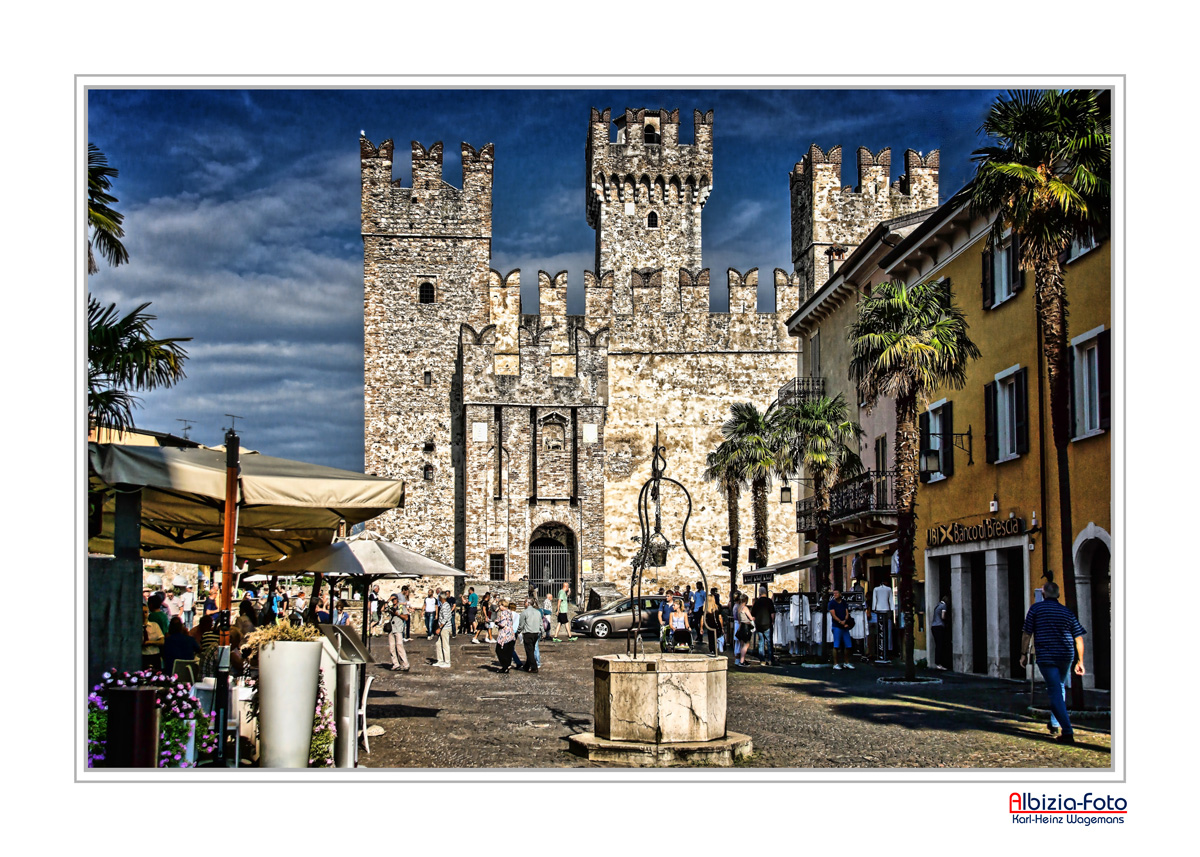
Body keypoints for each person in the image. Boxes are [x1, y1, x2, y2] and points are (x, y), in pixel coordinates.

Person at [1019, 580, 1086, 745]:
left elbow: (1027, 633)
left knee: (1055, 690)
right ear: (1059, 595)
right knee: (1059, 686)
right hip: (1066, 655)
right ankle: (1055, 722)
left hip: (1047, 655)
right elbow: (1078, 638)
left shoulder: (1036, 609)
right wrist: (1080, 661)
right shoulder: (1066, 612)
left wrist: (1023, 654)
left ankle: (1068, 731)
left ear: (1043, 594)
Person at [829, 589, 855, 670]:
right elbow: (833, 615)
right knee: (836, 645)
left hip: (845, 626)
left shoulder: (844, 602)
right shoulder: (831, 603)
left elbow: (847, 612)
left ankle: (846, 662)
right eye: (834, 593)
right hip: (837, 626)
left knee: (848, 645)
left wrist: (845, 620)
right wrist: (840, 622)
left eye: (836, 593)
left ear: (840, 594)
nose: (835, 594)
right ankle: (835, 663)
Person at [384, 594, 410, 671]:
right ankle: (396, 663)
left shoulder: (401, 607)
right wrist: (388, 599)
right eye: (393, 599)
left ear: (397, 599)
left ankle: (405, 664)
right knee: (392, 647)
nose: (394, 600)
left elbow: (406, 617)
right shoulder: (391, 608)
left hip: (398, 629)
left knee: (399, 647)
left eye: (395, 599)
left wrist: (397, 614)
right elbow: (384, 608)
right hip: (391, 629)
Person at [516, 597, 543, 672]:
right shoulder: (537, 612)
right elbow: (541, 623)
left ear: (527, 603)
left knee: (529, 651)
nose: (524, 604)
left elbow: (521, 625)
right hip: (536, 633)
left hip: (528, 633)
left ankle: (534, 667)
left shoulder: (524, 612)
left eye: (525, 602)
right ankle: (526, 666)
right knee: (531, 649)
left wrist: (517, 632)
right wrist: (542, 632)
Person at [751, 586, 775, 666]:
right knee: (769, 642)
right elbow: (772, 614)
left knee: (761, 642)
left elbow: (753, 615)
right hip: (767, 624)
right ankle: (770, 660)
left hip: (759, 625)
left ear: (759, 593)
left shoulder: (757, 602)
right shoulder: (769, 601)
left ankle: (762, 660)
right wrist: (772, 621)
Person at [871, 577, 894, 659]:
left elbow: (874, 599)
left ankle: (882, 652)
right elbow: (891, 599)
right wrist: (892, 608)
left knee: (881, 630)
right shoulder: (888, 589)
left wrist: (874, 608)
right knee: (883, 630)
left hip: (879, 608)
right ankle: (884, 651)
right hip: (886, 608)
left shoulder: (876, 589)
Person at [493, 599, 516, 673]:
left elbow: (502, 624)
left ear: (502, 605)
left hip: (504, 634)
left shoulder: (503, 613)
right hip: (511, 633)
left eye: (499, 605)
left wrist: (496, 623)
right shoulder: (510, 612)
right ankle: (507, 665)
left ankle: (504, 666)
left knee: (499, 650)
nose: (499, 607)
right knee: (508, 651)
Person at [433, 591, 453, 668]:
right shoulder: (444, 605)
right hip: (442, 628)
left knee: (445, 645)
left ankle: (447, 662)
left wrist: (440, 628)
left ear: (441, 598)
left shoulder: (445, 606)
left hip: (445, 628)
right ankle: (440, 660)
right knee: (438, 644)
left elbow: (445, 618)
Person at [931, 594, 951, 670]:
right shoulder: (944, 606)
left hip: (934, 626)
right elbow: (943, 616)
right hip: (939, 626)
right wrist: (947, 620)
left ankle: (937, 663)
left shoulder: (937, 605)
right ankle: (939, 663)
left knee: (937, 645)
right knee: (940, 645)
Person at [142, 605, 164, 671]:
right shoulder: (135, 627)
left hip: (155, 655)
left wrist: (150, 642)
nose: (144, 614)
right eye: (142, 612)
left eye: (145, 612)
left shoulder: (154, 625)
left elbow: (162, 641)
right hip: (143, 656)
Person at [733, 594, 753, 666]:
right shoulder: (745, 608)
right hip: (746, 627)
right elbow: (750, 618)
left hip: (741, 626)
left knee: (741, 644)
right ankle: (742, 661)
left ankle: (741, 660)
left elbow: (739, 619)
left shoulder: (739, 608)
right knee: (746, 644)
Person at [703, 592, 723, 658]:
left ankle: (712, 650)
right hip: (716, 625)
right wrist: (722, 627)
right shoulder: (717, 608)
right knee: (717, 637)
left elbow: (702, 618)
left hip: (709, 625)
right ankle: (716, 650)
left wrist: (701, 627)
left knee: (711, 638)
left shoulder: (705, 609)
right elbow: (720, 618)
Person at [690, 581, 706, 648]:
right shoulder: (696, 593)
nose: (697, 586)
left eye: (698, 585)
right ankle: (698, 635)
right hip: (696, 609)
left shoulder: (703, 593)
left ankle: (700, 636)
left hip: (700, 608)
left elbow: (705, 600)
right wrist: (692, 608)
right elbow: (695, 601)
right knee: (695, 623)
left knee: (700, 623)